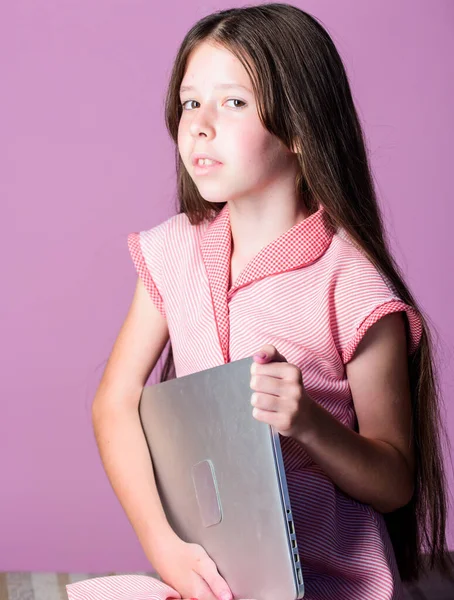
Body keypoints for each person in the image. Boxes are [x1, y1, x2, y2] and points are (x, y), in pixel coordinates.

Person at [66, 3, 452, 600]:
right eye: (191, 102)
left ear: (300, 130)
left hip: (329, 580)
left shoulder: (351, 284)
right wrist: (164, 547)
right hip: (213, 574)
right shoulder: (171, 251)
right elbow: (113, 403)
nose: (199, 124)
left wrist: (309, 423)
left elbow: (395, 479)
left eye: (233, 102)